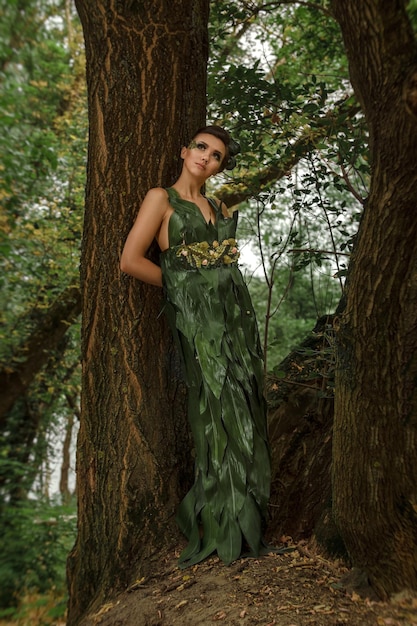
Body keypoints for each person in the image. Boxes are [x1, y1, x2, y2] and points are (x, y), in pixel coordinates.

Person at [120, 125, 271, 568]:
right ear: (185, 150)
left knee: (244, 407)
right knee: (214, 412)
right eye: (202, 147)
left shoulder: (218, 205)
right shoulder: (160, 199)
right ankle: (222, 528)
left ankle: (247, 521)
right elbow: (131, 260)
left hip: (233, 324)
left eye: (217, 155)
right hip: (197, 325)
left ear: (220, 166)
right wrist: (183, 287)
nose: (206, 157)